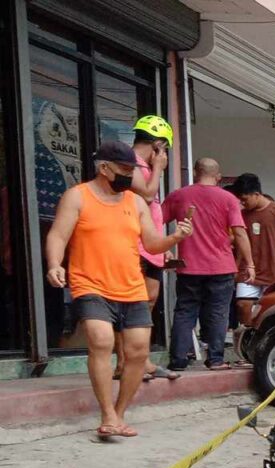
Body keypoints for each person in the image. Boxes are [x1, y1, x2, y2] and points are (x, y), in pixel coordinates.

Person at [43, 141, 193, 438]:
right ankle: (107, 414)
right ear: (104, 167)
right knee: (100, 341)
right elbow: (58, 234)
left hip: (131, 287)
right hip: (90, 283)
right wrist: (54, 264)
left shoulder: (135, 203)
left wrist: (175, 237)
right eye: (125, 169)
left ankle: (120, 413)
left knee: (137, 351)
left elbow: (151, 244)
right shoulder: (77, 197)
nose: (130, 175)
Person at [163, 158, 252, 371]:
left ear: (195, 172)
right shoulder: (228, 198)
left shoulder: (179, 195)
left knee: (185, 311)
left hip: (189, 266)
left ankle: (178, 360)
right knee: (218, 313)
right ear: (218, 176)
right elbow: (239, 233)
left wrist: (163, 247)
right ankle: (215, 359)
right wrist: (250, 263)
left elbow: (155, 220)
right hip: (221, 266)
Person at [120, 115, 180, 382]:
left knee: (148, 302)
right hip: (133, 245)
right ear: (158, 145)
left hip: (149, 246)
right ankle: (128, 363)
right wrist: (158, 169)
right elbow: (145, 194)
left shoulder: (145, 164)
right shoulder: (130, 162)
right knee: (135, 305)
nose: (165, 155)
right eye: (164, 148)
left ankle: (142, 361)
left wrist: (161, 243)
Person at [229, 173, 275, 329]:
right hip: (248, 270)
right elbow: (238, 241)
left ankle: (265, 335)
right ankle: (249, 334)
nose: (243, 203)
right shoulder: (242, 215)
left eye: (245, 199)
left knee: (272, 308)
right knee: (242, 305)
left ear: (257, 194)